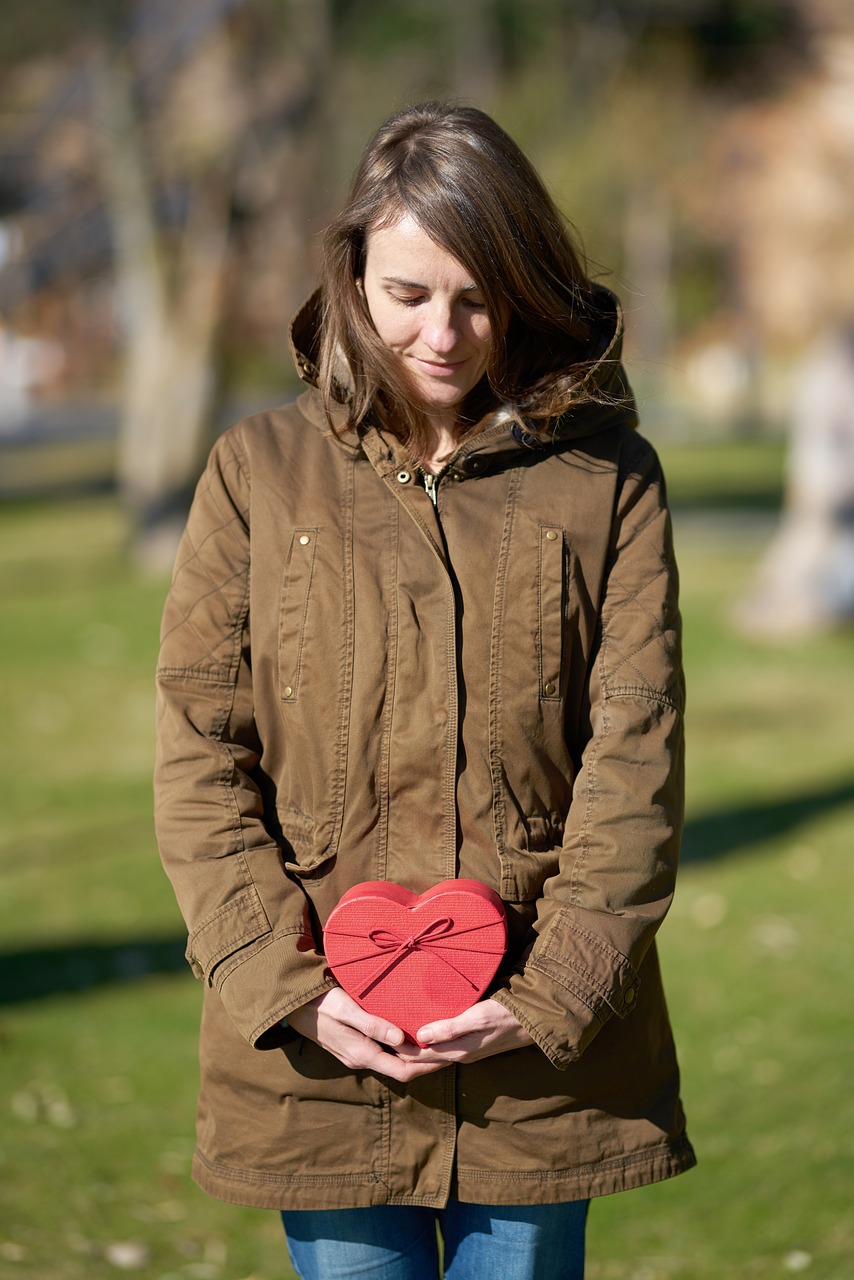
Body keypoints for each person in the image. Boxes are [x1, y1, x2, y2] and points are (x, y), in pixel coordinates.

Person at [154, 102, 696, 1280]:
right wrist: (283, 986)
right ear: (351, 276)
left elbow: (634, 750)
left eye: (476, 295)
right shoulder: (256, 474)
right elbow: (201, 749)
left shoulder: (606, 479)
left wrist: (549, 994)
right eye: (406, 294)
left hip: (536, 1065)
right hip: (319, 1055)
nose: (442, 333)